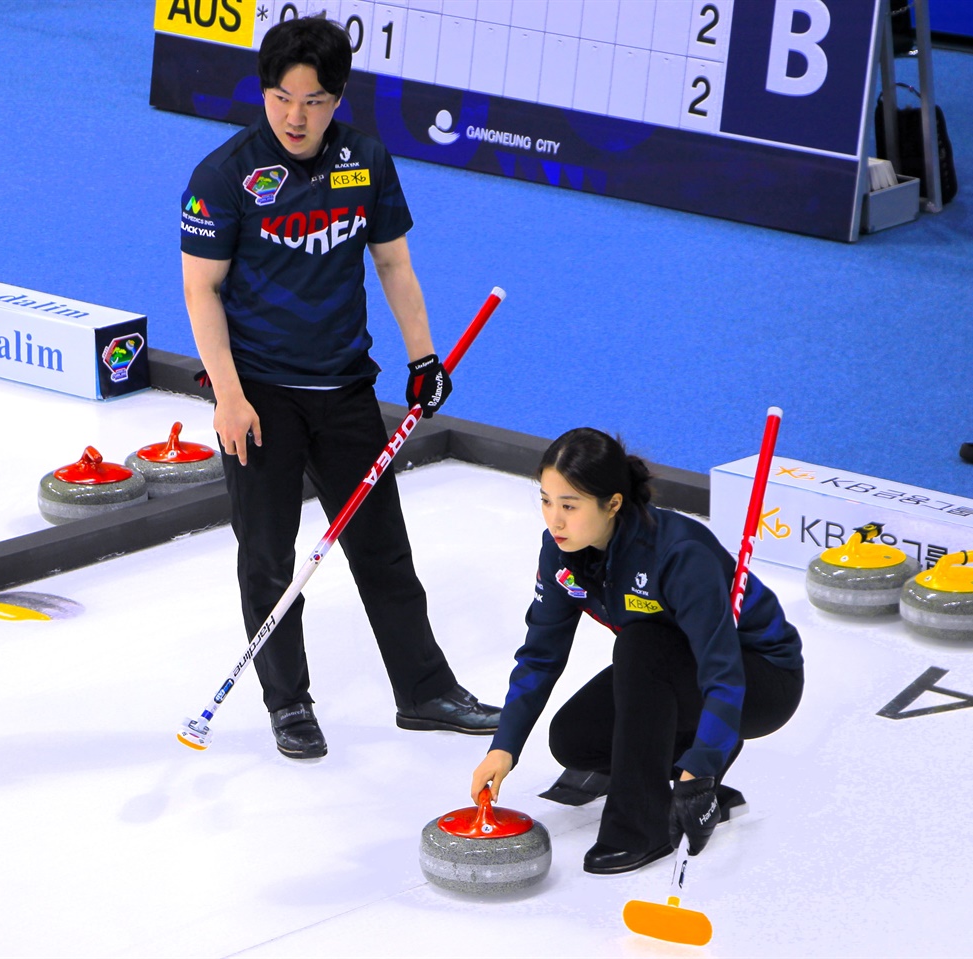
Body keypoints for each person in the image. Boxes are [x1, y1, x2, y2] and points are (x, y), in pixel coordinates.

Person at [180, 15, 499, 760]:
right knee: (267, 555)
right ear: (263, 92)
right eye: (283, 98)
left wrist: (424, 359)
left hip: (345, 386)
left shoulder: (367, 161)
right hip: (260, 396)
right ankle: (288, 702)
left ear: (338, 97)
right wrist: (228, 395)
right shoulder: (224, 176)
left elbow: (393, 264)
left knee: (384, 550)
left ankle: (424, 691)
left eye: (316, 100)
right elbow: (202, 292)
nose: (297, 116)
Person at [470, 428, 804, 873]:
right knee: (575, 738)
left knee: (641, 643)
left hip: (758, 679)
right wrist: (504, 746)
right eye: (546, 500)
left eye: (569, 505)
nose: (555, 520)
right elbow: (540, 654)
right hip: (673, 666)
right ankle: (675, 766)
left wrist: (702, 767)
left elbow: (723, 671)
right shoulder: (561, 551)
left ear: (613, 503)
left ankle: (641, 828)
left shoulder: (679, 553)